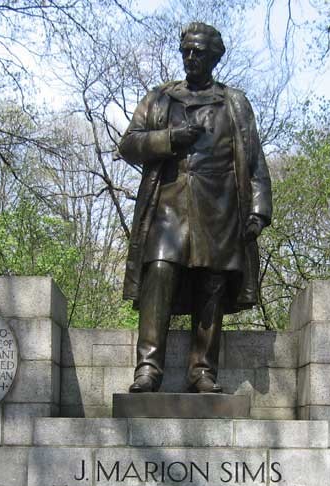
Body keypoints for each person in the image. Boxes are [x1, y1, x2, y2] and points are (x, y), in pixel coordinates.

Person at [118, 22, 272, 393]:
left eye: (199, 52)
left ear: (214, 57)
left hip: (219, 208)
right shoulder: (159, 99)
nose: (191, 57)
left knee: (213, 284)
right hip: (168, 207)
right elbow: (129, 145)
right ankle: (148, 368)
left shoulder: (234, 103)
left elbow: (253, 161)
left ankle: (202, 371)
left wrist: (258, 210)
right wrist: (169, 138)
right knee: (158, 272)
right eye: (186, 50)